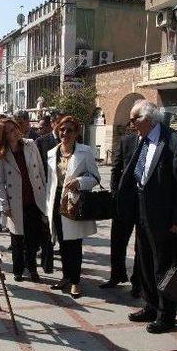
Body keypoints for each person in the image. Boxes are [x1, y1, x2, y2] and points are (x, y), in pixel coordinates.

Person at [117, 100, 177, 334]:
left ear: (147, 119)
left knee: (162, 265)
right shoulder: (141, 140)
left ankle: (166, 315)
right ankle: (150, 304)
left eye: (133, 120)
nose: (131, 125)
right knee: (144, 262)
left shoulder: (173, 141)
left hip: (163, 217)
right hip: (140, 211)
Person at [46, 116, 100, 298]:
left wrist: (80, 181)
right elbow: (50, 182)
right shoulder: (52, 153)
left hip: (73, 203)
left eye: (69, 130)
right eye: (62, 129)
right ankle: (66, 276)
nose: (65, 133)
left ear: (77, 133)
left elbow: (95, 177)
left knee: (74, 244)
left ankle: (76, 281)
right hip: (56, 203)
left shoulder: (85, 152)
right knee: (62, 243)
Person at [0, 118, 47, 283]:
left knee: (32, 238)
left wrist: (45, 196)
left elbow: (40, 169)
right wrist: (4, 204)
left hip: (34, 198)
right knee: (17, 239)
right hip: (15, 201)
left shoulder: (31, 145)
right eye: (9, 131)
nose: (14, 132)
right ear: (3, 136)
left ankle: (32, 269)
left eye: (14, 128)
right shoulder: (1, 154)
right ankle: (18, 269)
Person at [101, 130, 142, 297]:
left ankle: (138, 282)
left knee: (141, 245)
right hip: (124, 201)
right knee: (117, 240)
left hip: (145, 202)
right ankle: (116, 275)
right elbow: (116, 168)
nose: (133, 123)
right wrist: (115, 194)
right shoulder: (127, 141)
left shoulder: (159, 141)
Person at [36, 110, 63, 274]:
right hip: (47, 190)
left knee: (62, 229)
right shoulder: (42, 142)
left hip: (63, 192)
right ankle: (47, 264)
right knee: (46, 228)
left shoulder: (71, 140)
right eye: (59, 123)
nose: (62, 128)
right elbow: (38, 168)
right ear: (53, 123)